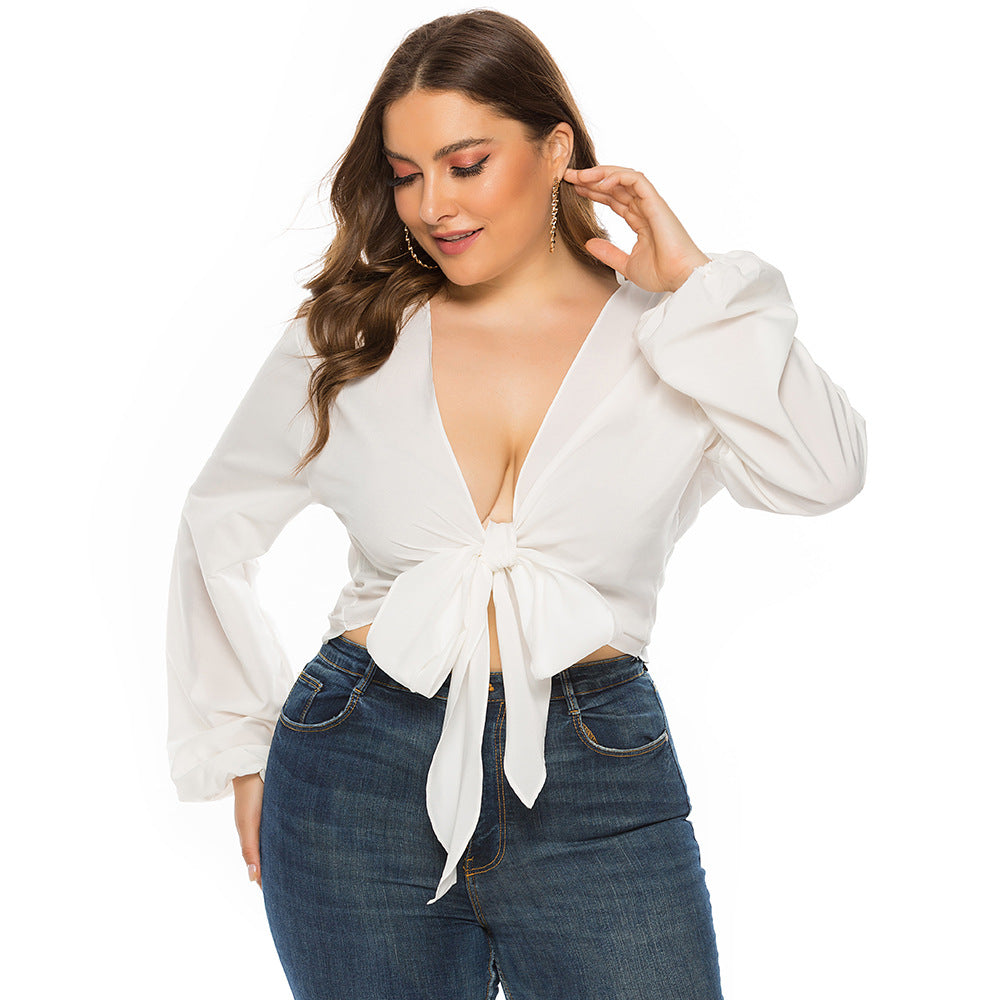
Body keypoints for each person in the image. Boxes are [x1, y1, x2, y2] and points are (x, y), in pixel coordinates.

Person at [165, 9, 867, 999]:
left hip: (594, 760)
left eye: (466, 164)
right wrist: (241, 746)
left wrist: (697, 287)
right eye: (406, 174)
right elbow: (216, 522)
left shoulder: (677, 336)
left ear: (557, 150)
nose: (433, 205)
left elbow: (825, 471)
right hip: (357, 760)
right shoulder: (352, 333)